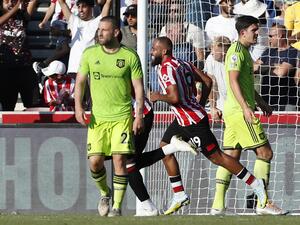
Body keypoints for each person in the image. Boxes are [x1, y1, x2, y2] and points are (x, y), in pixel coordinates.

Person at [75, 16, 196, 217]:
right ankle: (171, 149)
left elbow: (139, 90)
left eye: (104, 30)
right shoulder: (91, 54)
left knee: (125, 162)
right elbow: (80, 82)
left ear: (115, 32)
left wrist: (138, 115)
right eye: (99, 30)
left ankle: (137, 206)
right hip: (105, 118)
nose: (100, 33)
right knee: (104, 162)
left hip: (135, 114)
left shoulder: (129, 56)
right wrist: (78, 106)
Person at [149, 36, 268, 215]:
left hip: (192, 122)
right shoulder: (183, 63)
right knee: (165, 149)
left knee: (217, 157)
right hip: (183, 119)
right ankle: (179, 194)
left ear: (164, 51)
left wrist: (157, 96)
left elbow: (174, 98)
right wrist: (200, 102)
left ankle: (256, 184)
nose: (152, 52)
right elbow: (207, 80)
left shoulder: (165, 69)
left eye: (154, 49)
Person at [210, 15, 286, 215]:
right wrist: (245, 107)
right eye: (254, 30)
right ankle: (263, 203)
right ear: (242, 32)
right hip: (239, 112)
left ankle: (217, 205)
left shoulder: (243, 52)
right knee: (265, 153)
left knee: (230, 157)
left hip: (234, 112)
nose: (257, 34)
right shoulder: (236, 52)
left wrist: (261, 102)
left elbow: (245, 84)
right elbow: (233, 81)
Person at [0, 0, 40, 111]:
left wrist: (20, 6)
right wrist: (16, 6)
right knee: (8, 108)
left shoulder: (22, 15)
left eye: (12, 1)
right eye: (6, 1)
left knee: (34, 104)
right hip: (6, 70)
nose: (10, 3)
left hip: (25, 67)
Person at [58, 0, 111, 76]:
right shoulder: (74, 21)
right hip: (74, 70)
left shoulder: (99, 22)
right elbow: (61, 2)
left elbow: (108, 2)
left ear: (91, 7)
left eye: (84, 6)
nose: (80, 10)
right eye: (79, 7)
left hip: (91, 70)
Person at [255, 23, 298, 111]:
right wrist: (275, 66)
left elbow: (281, 73)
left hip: (286, 102)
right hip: (266, 100)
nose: (269, 39)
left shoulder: (294, 52)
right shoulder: (268, 51)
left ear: (280, 36)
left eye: (271, 36)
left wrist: (264, 68)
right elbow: (254, 67)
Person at [205, 36, 231, 122]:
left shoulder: (233, 60)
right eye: (211, 49)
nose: (211, 52)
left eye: (214, 50)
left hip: (236, 104)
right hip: (221, 105)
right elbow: (212, 83)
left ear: (224, 52)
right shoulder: (210, 59)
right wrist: (213, 107)